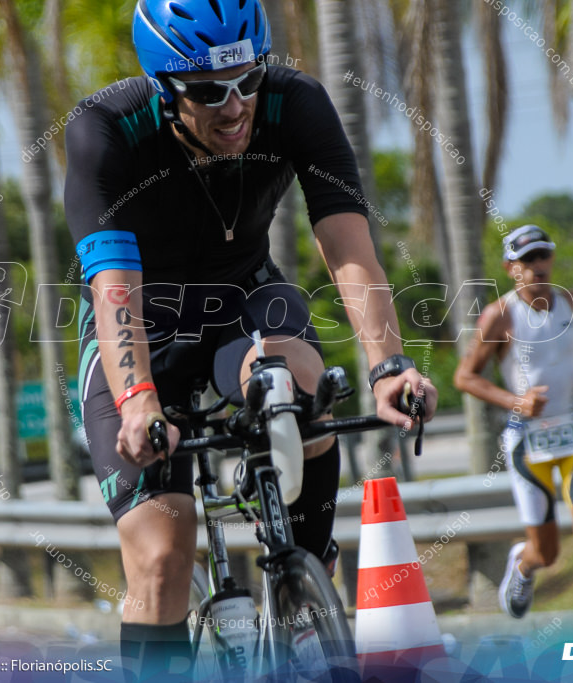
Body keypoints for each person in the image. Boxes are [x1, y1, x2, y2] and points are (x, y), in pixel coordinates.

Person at [64, 0, 437, 677]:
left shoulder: (295, 104)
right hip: (141, 325)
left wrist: (390, 366)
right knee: (161, 552)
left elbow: (347, 247)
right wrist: (142, 399)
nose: (235, 107)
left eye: (248, 79)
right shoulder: (108, 128)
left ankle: (306, 575)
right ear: (165, 86)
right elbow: (114, 287)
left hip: (244, 302)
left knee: (300, 381)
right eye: (208, 92)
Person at [453, 224, 573, 641]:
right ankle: (523, 562)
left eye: (542, 256)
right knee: (549, 552)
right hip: (528, 439)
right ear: (510, 268)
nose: (537, 266)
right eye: (526, 260)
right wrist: (514, 402)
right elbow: (465, 377)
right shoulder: (500, 315)